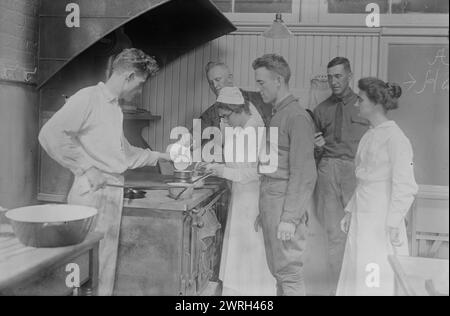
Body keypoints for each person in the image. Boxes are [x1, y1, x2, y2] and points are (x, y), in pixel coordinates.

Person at [38, 48, 171, 296]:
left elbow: (124, 154)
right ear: (129, 76)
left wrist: (161, 156)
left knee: (105, 264)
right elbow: (50, 134)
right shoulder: (88, 98)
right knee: (84, 268)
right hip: (91, 192)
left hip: (110, 191)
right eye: (140, 84)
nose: (140, 91)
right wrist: (87, 167)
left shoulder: (114, 109)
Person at [337, 78, 418, 296]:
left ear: (374, 103)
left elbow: (406, 186)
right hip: (362, 215)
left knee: (373, 275)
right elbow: (364, 180)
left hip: (381, 221)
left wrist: (393, 223)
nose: (356, 104)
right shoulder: (369, 135)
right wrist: (350, 210)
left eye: (360, 100)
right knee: (357, 270)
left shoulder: (396, 139)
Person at [252, 54, 317, 296]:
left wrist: (289, 217)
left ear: (278, 80)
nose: (258, 89)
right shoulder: (278, 113)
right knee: (280, 273)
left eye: (262, 83)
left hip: (284, 206)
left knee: (289, 273)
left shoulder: (297, 116)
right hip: (274, 203)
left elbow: (304, 174)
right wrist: (266, 210)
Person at [205, 87, 275, 296]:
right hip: (240, 196)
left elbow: (256, 173)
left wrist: (222, 170)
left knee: (250, 251)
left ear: (238, 110)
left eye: (227, 117)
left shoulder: (255, 130)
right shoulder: (240, 126)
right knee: (238, 251)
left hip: (253, 198)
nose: (225, 122)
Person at [312, 57, 369, 294]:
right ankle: (337, 290)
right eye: (330, 76)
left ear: (349, 75)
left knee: (359, 231)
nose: (333, 81)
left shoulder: (364, 105)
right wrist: (316, 146)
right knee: (334, 235)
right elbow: (312, 151)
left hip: (355, 173)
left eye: (338, 76)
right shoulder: (320, 109)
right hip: (327, 170)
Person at [200, 62, 273, 135]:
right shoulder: (208, 115)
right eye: (211, 83)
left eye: (218, 79)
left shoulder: (258, 99)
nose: (215, 85)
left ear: (230, 78)